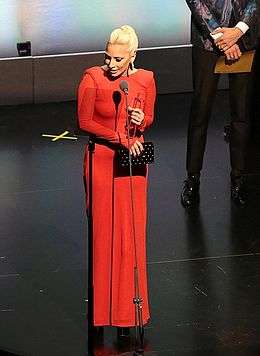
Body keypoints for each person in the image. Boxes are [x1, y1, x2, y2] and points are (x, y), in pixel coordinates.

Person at [77, 25, 156, 336]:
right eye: (107, 57)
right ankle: (99, 316)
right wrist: (120, 137)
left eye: (118, 60)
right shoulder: (91, 78)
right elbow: (84, 121)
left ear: (132, 57)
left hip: (131, 166)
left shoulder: (146, 80)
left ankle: (126, 317)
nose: (110, 64)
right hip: (102, 162)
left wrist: (141, 120)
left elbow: (149, 118)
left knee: (130, 242)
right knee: (103, 239)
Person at [181, 0, 258, 207]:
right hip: (208, 40)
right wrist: (220, 36)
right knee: (200, 111)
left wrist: (239, 31)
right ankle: (193, 178)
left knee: (241, 113)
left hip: (245, 38)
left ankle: (238, 178)